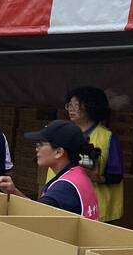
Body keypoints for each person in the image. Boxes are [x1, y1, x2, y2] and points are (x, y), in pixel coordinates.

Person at [0, 120, 99, 219]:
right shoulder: (78, 174)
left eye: (41, 144)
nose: (36, 149)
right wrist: (14, 192)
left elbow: (36, 218)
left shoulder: (64, 188)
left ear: (58, 152)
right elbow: (39, 209)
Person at [53, 86, 123, 222]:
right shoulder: (60, 133)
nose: (71, 109)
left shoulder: (107, 138)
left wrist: (97, 178)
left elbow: (116, 175)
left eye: (76, 105)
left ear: (91, 106)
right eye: (69, 105)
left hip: (93, 209)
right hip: (61, 201)